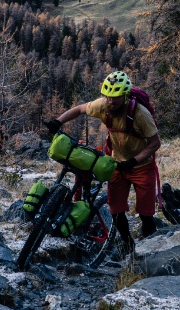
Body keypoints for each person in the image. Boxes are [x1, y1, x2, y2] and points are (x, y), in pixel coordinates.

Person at [44, 70, 160, 255]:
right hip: (116, 164)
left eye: (116, 97)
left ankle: (154, 254)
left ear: (125, 95)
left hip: (141, 167)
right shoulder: (104, 106)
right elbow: (80, 109)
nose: (111, 101)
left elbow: (155, 143)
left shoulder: (140, 113)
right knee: (116, 210)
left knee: (146, 215)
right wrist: (58, 121)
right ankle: (127, 244)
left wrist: (134, 161)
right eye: (108, 96)